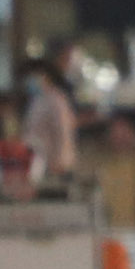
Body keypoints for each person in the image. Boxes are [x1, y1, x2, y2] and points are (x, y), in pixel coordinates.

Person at [22, 49, 80, 183]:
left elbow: (63, 132)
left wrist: (60, 162)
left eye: (34, 75)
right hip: (38, 164)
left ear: (45, 76)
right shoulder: (37, 100)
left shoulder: (56, 100)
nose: (30, 80)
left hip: (56, 167)